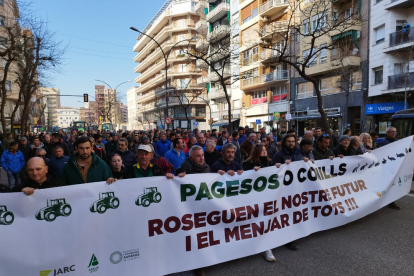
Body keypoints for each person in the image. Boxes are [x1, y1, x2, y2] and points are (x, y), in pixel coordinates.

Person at [377, 126, 404, 210]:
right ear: (387, 133)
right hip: (386, 168)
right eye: (392, 132)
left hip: (394, 167)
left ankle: (390, 200)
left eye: (395, 132)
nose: (394, 133)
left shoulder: (396, 141)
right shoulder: (383, 142)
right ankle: (388, 201)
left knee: (393, 184)